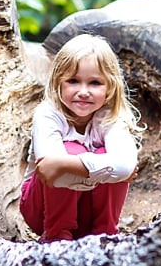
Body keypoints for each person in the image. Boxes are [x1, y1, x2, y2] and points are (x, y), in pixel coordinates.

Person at [20, 34, 142, 242]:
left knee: (72, 157)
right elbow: (53, 174)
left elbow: (125, 166)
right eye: (73, 81)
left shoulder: (111, 117)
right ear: (59, 82)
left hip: (88, 213)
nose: (83, 92)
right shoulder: (48, 114)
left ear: (110, 87)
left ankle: (105, 235)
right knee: (72, 149)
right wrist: (109, 170)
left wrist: (66, 164)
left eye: (94, 83)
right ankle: (57, 235)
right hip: (41, 210)